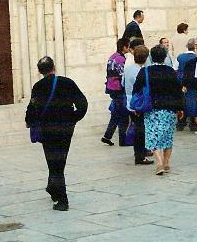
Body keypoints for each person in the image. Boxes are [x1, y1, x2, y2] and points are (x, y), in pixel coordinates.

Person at [25, 56, 88, 211]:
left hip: (48, 129)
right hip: (66, 128)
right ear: (54, 67)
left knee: (54, 164)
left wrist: (29, 121)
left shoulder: (38, 86)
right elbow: (83, 103)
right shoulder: (67, 82)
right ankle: (53, 188)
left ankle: (62, 200)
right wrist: (73, 118)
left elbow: (32, 107)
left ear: (40, 71)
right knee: (59, 161)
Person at [132, 45, 184, 175]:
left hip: (152, 108)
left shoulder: (145, 71)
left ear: (151, 56)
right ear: (165, 56)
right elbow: (178, 91)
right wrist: (180, 108)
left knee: (152, 135)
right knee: (167, 136)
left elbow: (136, 89)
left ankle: (159, 162)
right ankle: (166, 163)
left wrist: (137, 107)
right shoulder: (171, 71)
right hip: (169, 108)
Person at [123, 45, 153, 165]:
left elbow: (123, 83)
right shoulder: (141, 71)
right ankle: (140, 156)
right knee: (141, 129)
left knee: (137, 127)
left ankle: (139, 154)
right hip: (138, 103)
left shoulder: (128, 69)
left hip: (129, 101)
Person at [101, 38, 130, 146]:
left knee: (116, 114)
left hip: (111, 88)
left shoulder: (112, 57)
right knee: (123, 115)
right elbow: (123, 76)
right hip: (118, 89)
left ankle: (107, 136)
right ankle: (123, 140)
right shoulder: (120, 59)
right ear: (124, 47)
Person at [176, 39, 197, 133]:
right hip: (193, 81)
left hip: (182, 80)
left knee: (183, 101)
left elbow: (176, 68)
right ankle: (193, 123)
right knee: (193, 102)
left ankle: (180, 122)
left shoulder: (180, 57)